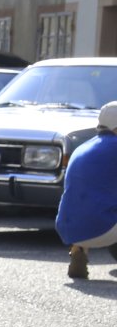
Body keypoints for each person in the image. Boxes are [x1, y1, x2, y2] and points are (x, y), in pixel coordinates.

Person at [56, 101, 117, 280]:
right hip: (102, 227)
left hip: (69, 227)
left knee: (92, 198)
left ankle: (79, 250)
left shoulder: (83, 147)